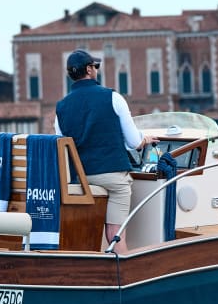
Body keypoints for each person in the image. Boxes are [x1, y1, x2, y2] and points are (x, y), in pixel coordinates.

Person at [54, 49, 157, 250]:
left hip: (80, 181)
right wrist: (145, 140)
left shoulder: (61, 107)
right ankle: (125, 275)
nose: (96, 70)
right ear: (90, 70)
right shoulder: (113, 98)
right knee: (115, 234)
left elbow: (62, 146)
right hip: (112, 178)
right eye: (95, 66)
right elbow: (134, 142)